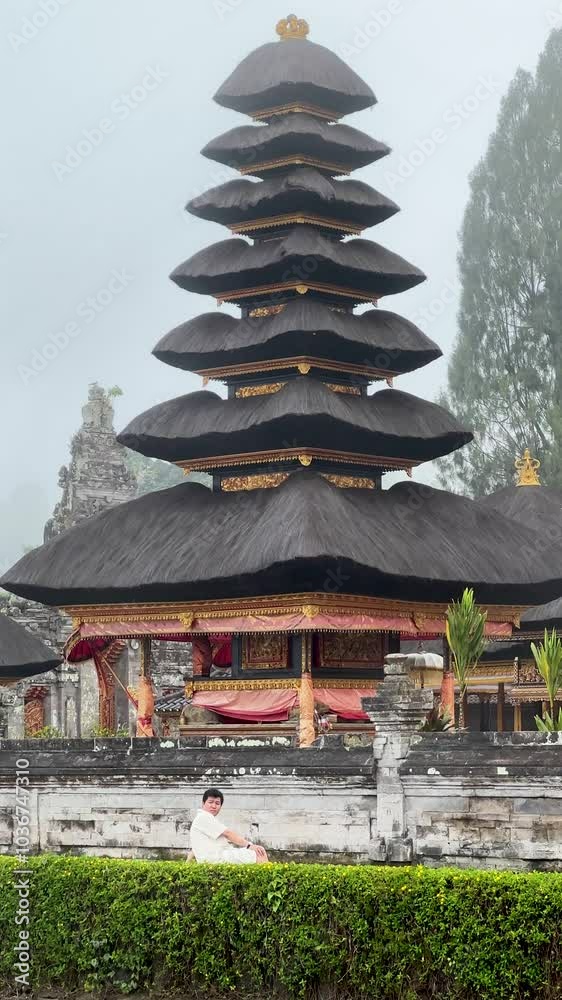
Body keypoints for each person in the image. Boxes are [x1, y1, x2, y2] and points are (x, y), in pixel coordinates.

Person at [189, 787, 269, 863]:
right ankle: (270, 875)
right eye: (210, 802)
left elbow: (195, 846)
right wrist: (249, 846)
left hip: (216, 857)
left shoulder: (202, 818)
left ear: (220, 806)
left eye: (217, 803)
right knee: (259, 852)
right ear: (203, 803)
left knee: (254, 851)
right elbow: (228, 834)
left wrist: (187, 863)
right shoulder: (204, 817)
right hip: (216, 858)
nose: (213, 806)